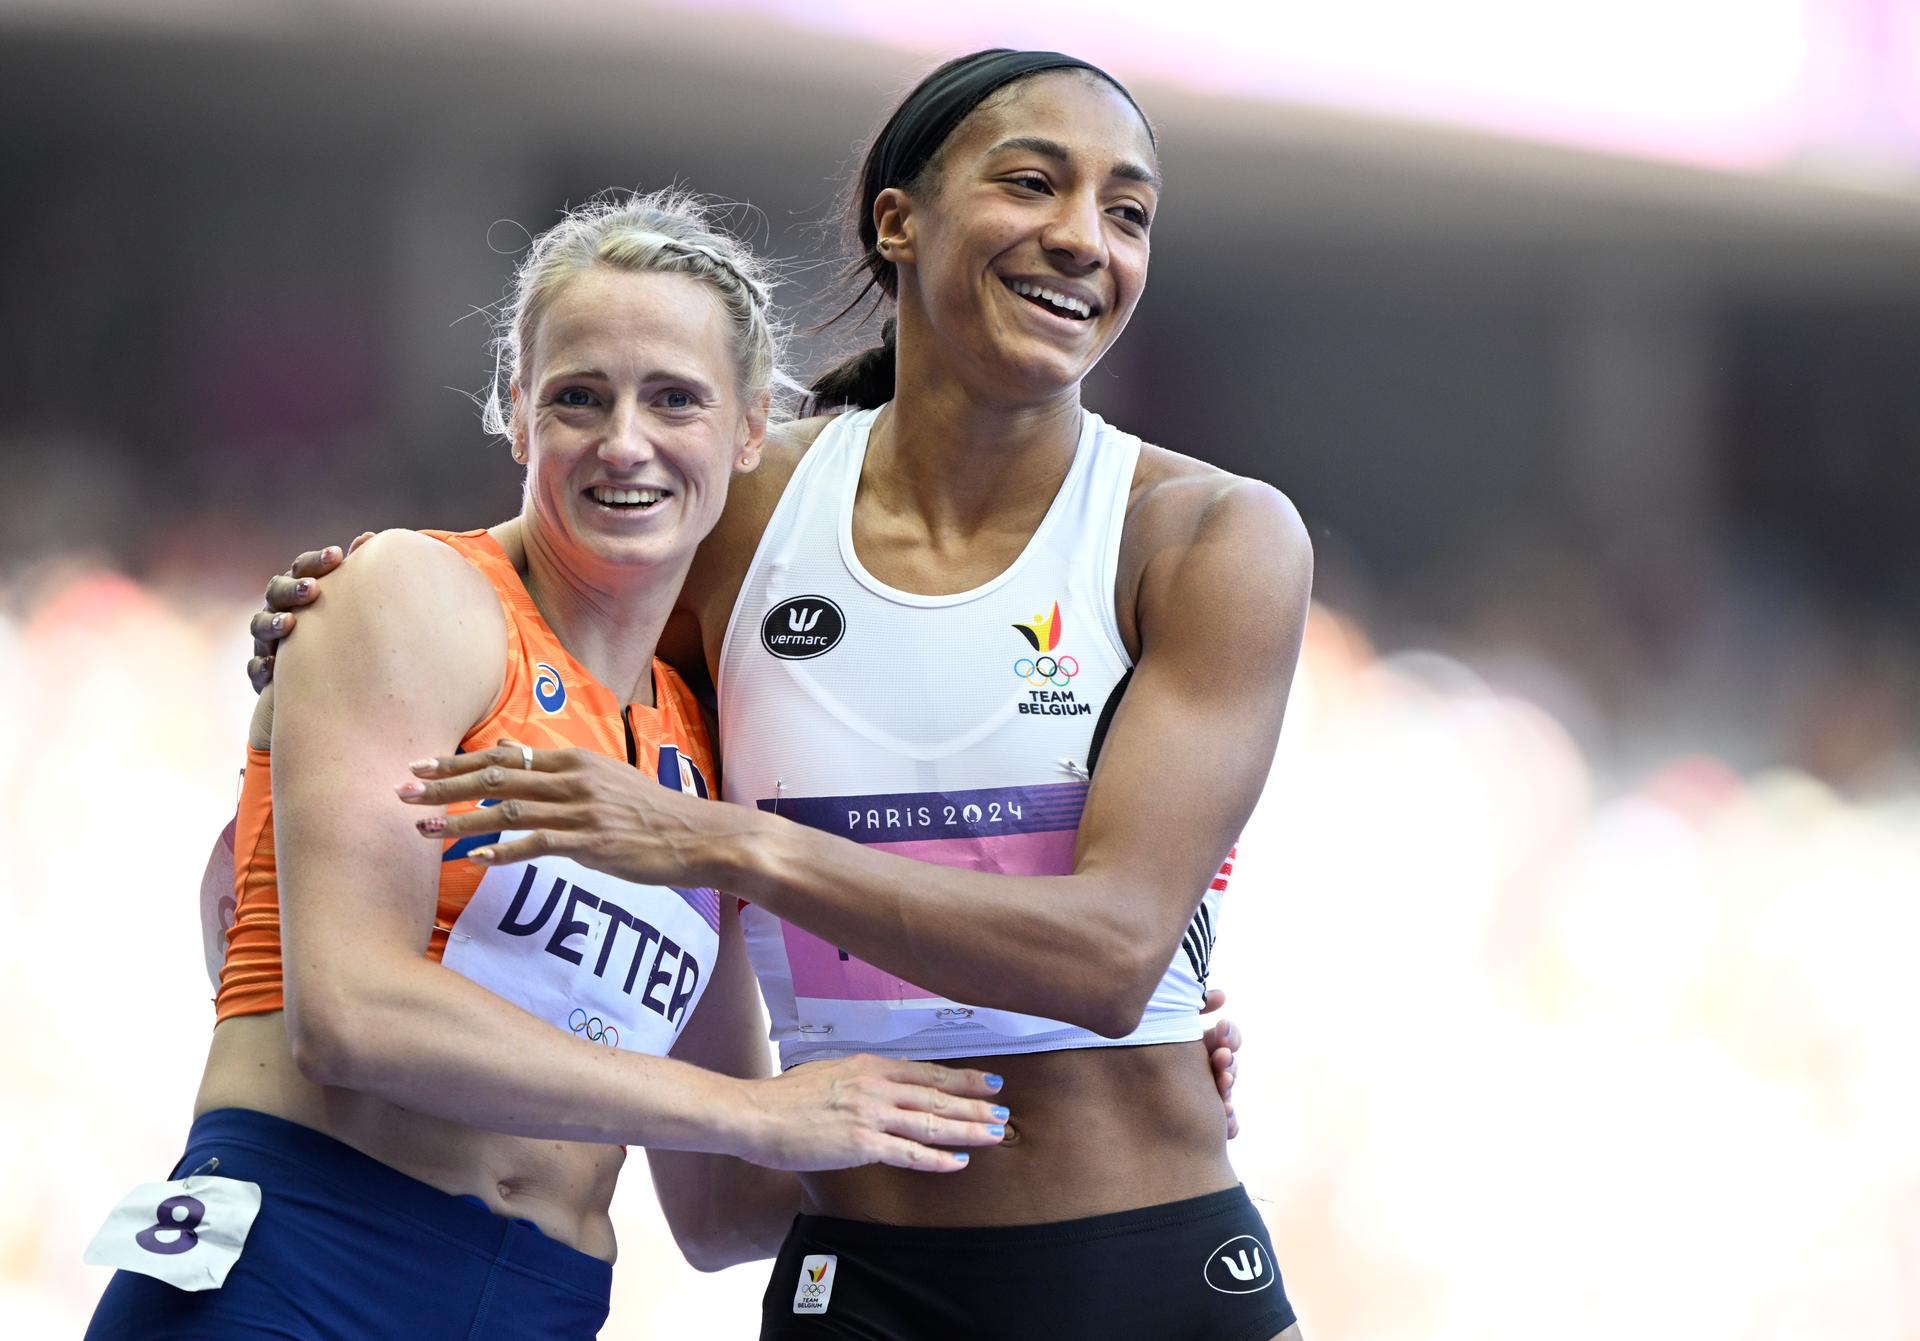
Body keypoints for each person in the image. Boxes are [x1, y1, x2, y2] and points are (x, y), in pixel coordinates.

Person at [255, 49, 1308, 1339]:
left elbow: (1108, 958)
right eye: (1033, 182)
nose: (1083, 238)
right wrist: (318, 625)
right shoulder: (740, 509)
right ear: (897, 219)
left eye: (1128, 211)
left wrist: (726, 843)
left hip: (1140, 1258)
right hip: (847, 1275)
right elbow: (497, 626)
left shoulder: (1207, 534)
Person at [87, 192, 1016, 1341]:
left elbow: (723, 1204)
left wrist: (1092, 1089)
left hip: (542, 1303)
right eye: (580, 397)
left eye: (674, 397)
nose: (624, 441)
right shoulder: (415, 596)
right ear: (517, 416)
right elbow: (355, 1020)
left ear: (747, 435)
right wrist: (757, 1109)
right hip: (304, 1264)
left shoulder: (704, 746)